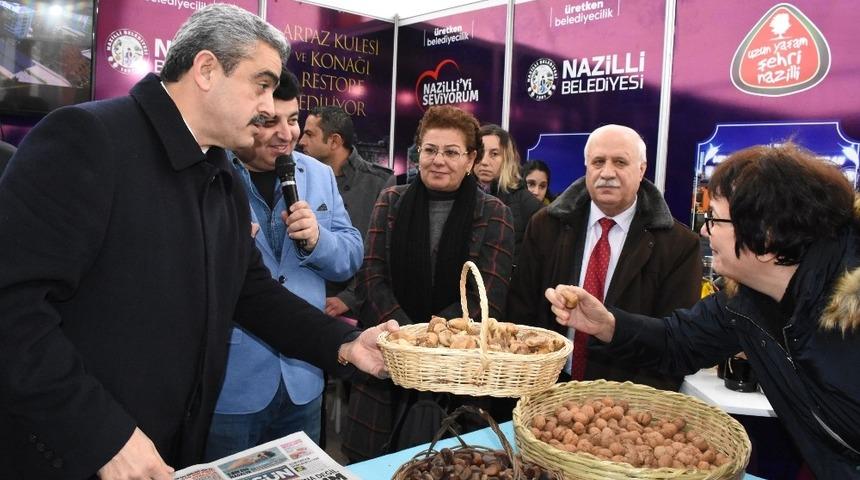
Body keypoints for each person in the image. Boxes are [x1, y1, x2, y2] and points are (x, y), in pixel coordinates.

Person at [0, 5, 396, 480]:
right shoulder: (87, 138)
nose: (271, 108)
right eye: (262, 84)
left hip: (168, 448)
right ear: (207, 70)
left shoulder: (220, 175)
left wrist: (347, 343)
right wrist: (102, 436)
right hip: (76, 452)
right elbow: (14, 308)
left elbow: (251, 292)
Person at [545, 142, 860, 478]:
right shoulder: (744, 302)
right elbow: (678, 341)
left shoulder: (849, 318)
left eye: (715, 219)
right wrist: (608, 324)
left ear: (767, 237)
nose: (704, 230)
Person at [205, 70, 363, 459]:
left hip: (304, 377)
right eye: (268, 121)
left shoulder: (320, 175)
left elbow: (351, 258)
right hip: (232, 383)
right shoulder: (211, 175)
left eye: (293, 120)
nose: (286, 134)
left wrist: (318, 241)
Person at [342, 105, 515, 461]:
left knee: (451, 465)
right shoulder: (391, 200)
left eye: (451, 152)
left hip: (458, 376)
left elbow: (486, 299)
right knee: (375, 464)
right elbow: (371, 277)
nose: (439, 160)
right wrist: (409, 338)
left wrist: (430, 344)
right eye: (430, 149)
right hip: (386, 361)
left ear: (470, 160)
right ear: (418, 152)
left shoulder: (494, 212)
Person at [507, 124, 701, 391]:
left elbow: (674, 340)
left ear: (642, 170)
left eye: (620, 162)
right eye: (598, 162)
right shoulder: (545, 226)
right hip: (546, 390)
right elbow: (521, 310)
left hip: (626, 402)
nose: (607, 173)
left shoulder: (679, 245)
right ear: (586, 167)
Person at [297, 106, 392, 318]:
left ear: (334, 141)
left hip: (357, 313)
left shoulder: (380, 183)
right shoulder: (296, 179)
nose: (301, 141)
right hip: (304, 305)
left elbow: (382, 253)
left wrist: (348, 298)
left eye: (310, 134)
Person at [473, 124, 542, 266]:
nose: (484, 161)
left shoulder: (527, 203)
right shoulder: (459, 195)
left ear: (507, 159)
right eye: (480, 152)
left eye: (494, 154)